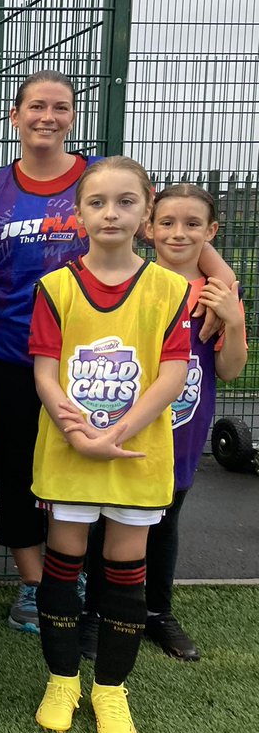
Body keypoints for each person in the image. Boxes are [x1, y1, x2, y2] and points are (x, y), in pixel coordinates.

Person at [0, 70, 231, 635]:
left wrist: (227, 296)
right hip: (15, 355)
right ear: (15, 115)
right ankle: (37, 588)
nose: (47, 117)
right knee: (18, 473)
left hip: (100, 362)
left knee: (97, 464)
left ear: (72, 117)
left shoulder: (100, 179)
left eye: (60, 107)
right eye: (36, 106)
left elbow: (195, 255)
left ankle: (89, 585)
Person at [29, 157, 191, 733]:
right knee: (62, 565)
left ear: (146, 211)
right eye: (97, 203)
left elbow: (171, 376)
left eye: (126, 202)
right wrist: (78, 434)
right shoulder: (56, 287)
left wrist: (116, 435)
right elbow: (46, 374)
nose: (111, 213)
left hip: (135, 455)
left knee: (126, 571)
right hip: (70, 452)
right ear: (79, 214)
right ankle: (62, 679)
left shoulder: (171, 289)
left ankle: (111, 689)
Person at [81, 185, 247, 663]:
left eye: (193, 224)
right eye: (168, 223)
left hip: (183, 431)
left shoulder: (218, 293)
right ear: (149, 228)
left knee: (166, 520)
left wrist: (232, 320)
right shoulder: (135, 281)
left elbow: (231, 369)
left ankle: (158, 613)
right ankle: (93, 613)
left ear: (211, 232)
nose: (180, 233)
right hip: (125, 426)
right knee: (104, 520)